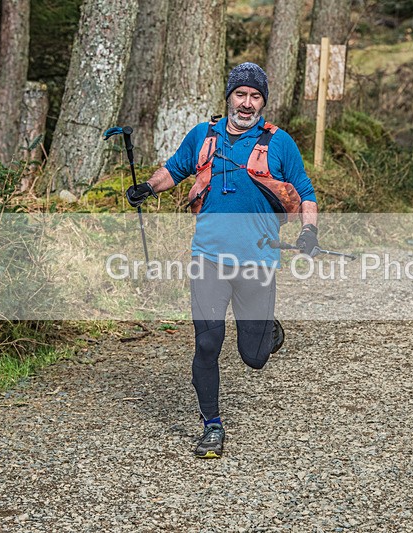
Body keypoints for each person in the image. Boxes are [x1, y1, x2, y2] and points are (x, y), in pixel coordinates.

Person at [125, 62, 319, 458]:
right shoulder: (203, 135)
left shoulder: (280, 142)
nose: (247, 103)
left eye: (255, 97)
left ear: (263, 102)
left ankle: (267, 332)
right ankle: (211, 425)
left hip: (258, 260)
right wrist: (146, 187)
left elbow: (305, 191)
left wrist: (309, 231)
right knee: (207, 342)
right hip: (208, 258)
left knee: (254, 357)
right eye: (241, 94)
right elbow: (175, 170)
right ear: (229, 96)